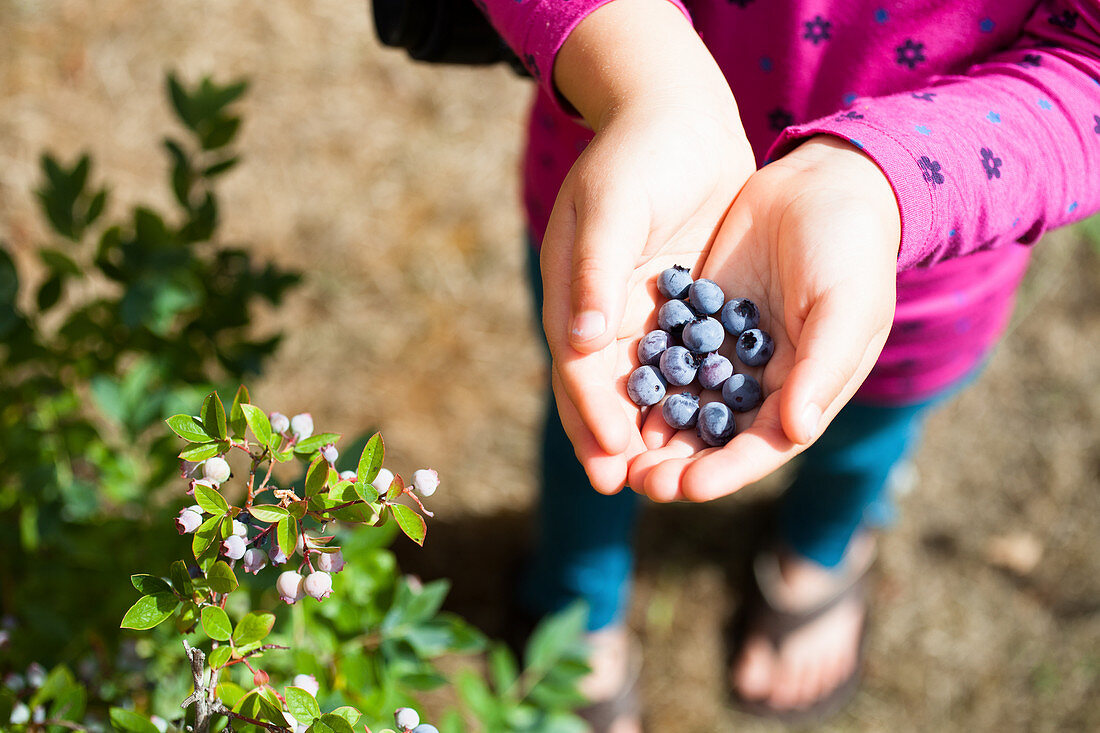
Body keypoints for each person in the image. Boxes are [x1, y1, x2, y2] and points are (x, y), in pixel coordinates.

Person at [472, 0, 1100, 727]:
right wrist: (649, 79)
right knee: (599, 420)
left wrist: (881, 183)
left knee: (863, 443)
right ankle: (578, 592)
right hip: (630, 209)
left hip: (923, 263)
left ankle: (817, 551)